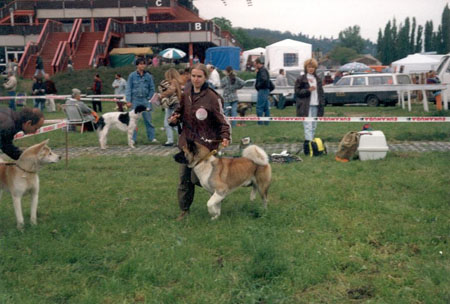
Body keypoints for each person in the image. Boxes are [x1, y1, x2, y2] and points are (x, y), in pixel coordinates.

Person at [168, 63, 231, 221]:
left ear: (205, 78)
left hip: (205, 145)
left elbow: (222, 120)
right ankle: (184, 210)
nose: (195, 79)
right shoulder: (186, 92)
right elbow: (180, 111)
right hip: (187, 143)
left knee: (199, 179)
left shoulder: (212, 97)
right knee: (184, 178)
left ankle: (218, 194)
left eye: (199, 76)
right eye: (193, 76)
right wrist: (174, 118)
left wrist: (225, 136)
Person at [294, 58, 325, 155]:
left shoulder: (318, 79)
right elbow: (297, 92)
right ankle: (309, 147)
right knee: (308, 126)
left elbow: (321, 93)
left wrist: (322, 103)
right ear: (306, 68)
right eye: (309, 67)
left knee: (314, 126)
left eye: (313, 67)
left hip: (316, 105)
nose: (311, 69)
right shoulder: (301, 79)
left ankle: (312, 147)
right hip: (305, 106)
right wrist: (308, 90)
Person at [125, 57, 157, 143]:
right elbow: (128, 88)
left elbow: (152, 88)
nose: (142, 65)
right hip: (135, 100)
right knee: (133, 121)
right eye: (140, 64)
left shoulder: (149, 76)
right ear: (137, 65)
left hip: (145, 100)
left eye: (144, 64)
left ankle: (152, 137)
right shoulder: (132, 76)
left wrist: (149, 98)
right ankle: (133, 139)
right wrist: (128, 100)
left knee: (148, 120)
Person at [158, 68, 182, 146]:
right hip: (176, 104)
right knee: (176, 123)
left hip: (172, 104)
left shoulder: (173, 82)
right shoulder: (177, 82)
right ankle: (178, 140)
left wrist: (161, 95)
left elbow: (171, 91)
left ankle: (171, 140)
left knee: (170, 122)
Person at [254, 57, 271, 125]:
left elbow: (264, 79)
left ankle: (260, 123)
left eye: (255, 64)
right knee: (266, 108)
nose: (254, 66)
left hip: (262, 90)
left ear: (258, 63)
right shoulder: (263, 70)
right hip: (265, 90)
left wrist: (258, 86)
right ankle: (266, 123)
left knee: (259, 107)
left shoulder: (262, 70)